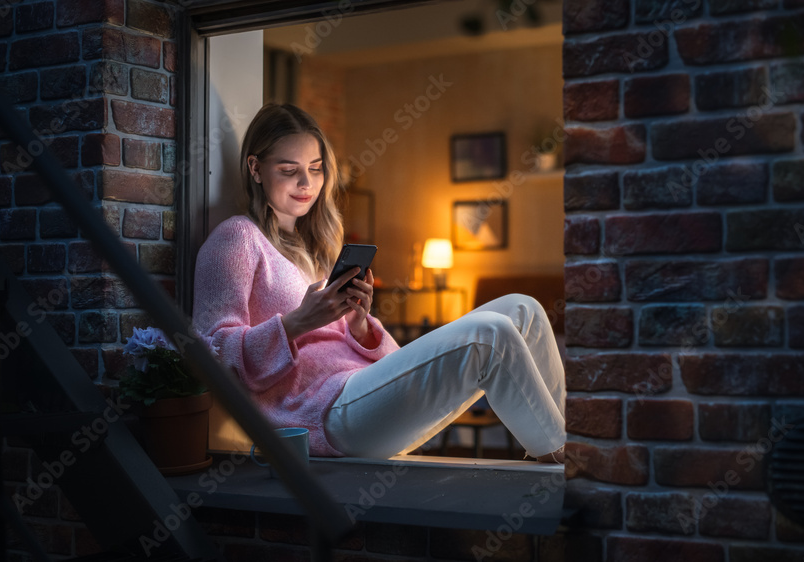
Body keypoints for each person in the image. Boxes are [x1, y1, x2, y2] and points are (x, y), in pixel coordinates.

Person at [193, 103, 566, 462]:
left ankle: (562, 450)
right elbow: (208, 353)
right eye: (289, 170)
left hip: (364, 392)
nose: (307, 183)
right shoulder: (237, 238)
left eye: (316, 168)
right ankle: (573, 469)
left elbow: (385, 356)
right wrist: (298, 322)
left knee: (524, 308)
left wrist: (358, 322)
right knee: (491, 332)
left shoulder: (318, 249)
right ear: (256, 169)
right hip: (323, 413)